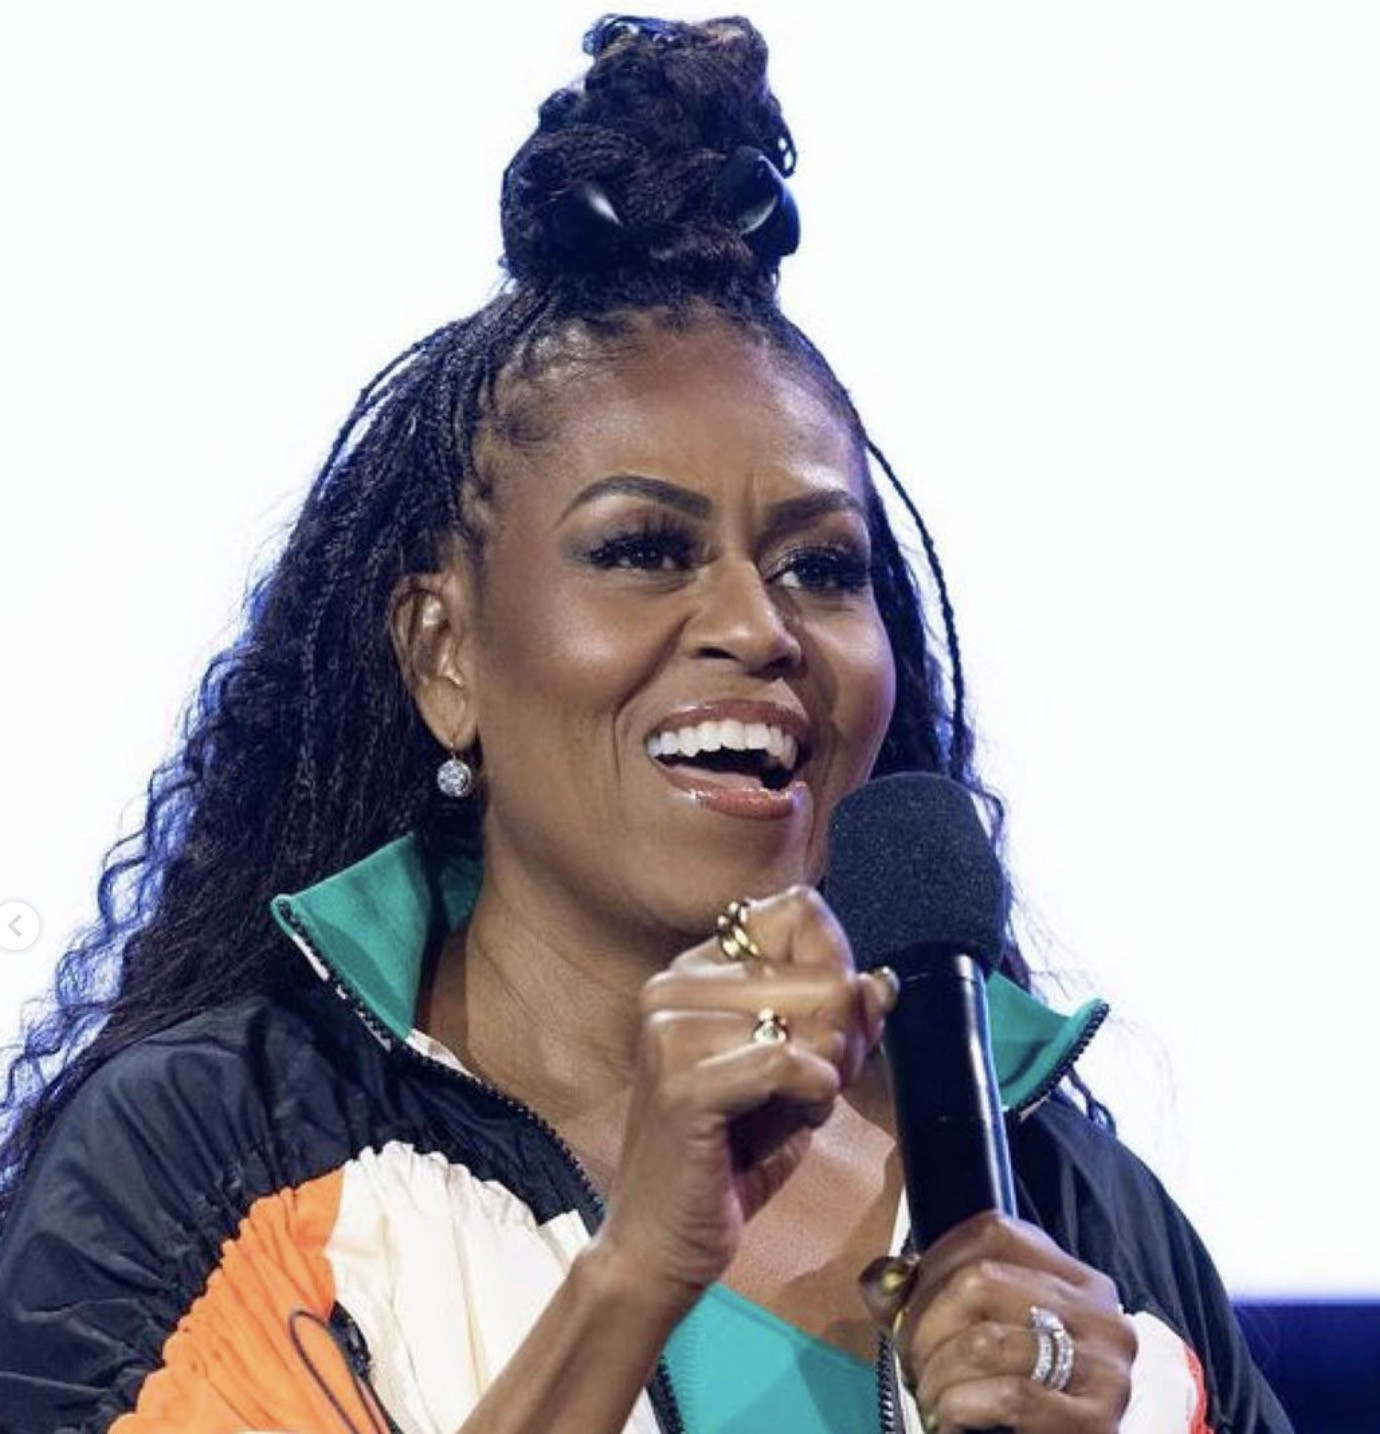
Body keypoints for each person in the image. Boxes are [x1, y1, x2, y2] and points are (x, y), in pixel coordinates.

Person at [0, 15, 1290, 1434]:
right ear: (443, 654)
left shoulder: (1075, 1218)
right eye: (641, 551)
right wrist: (633, 1279)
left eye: (822, 566)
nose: (758, 625)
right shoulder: (216, 1160)